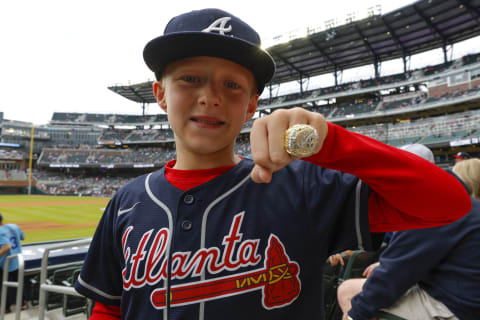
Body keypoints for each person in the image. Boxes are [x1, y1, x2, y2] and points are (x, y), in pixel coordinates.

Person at [74, 8, 471, 320]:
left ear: (251, 106)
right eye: (190, 79)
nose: (210, 96)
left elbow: (449, 203)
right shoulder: (127, 201)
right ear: (160, 94)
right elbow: (110, 306)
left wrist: (330, 142)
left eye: (231, 85)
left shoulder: (304, 186)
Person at [337, 150, 480, 320]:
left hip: (457, 307)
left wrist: (356, 314)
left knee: (349, 293)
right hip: (462, 293)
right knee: (354, 288)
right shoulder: (458, 202)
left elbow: (396, 274)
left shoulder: (436, 203)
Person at [0, 213, 25, 313]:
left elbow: (7, 246)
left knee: (4, 287)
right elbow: (23, 237)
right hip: (18, 260)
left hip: (5, 263)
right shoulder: (14, 226)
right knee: (19, 283)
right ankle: (22, 304)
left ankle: (6, 308)